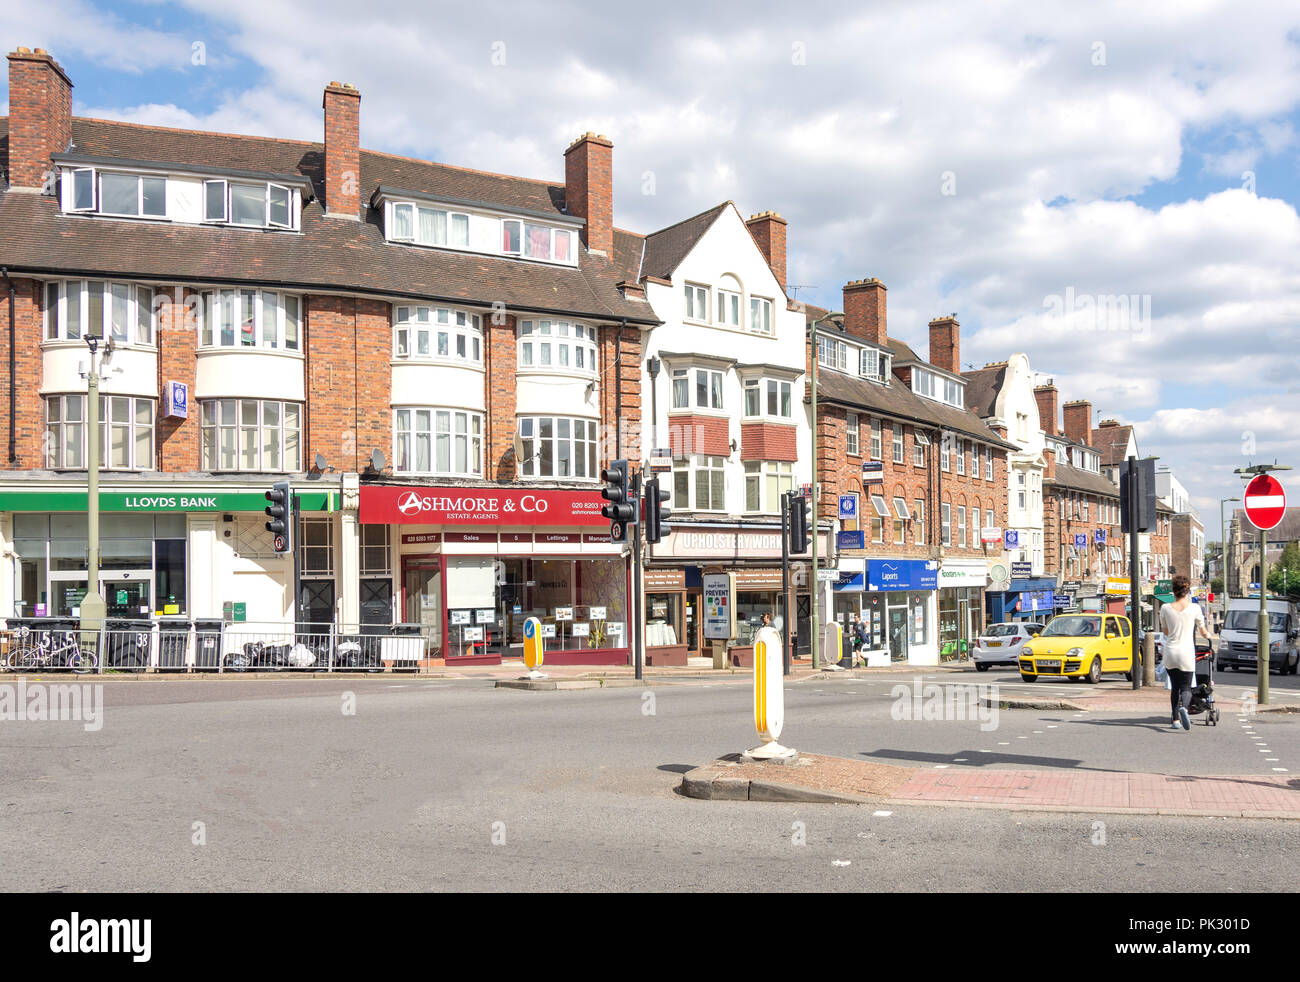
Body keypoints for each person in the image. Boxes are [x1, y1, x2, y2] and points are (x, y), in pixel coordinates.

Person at [1159, 574, 1214, 731]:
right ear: (1187, 590)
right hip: (1186, 653)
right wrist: (1208, 636)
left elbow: (1166, 632)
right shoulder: (1195, 608)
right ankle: (1185, 708)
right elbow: (1203, 632)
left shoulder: (1165, 608)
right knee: (1186, 688)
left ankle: (1175, 719)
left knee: (1175, 687)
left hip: (1170, 653)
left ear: (1173, 591)